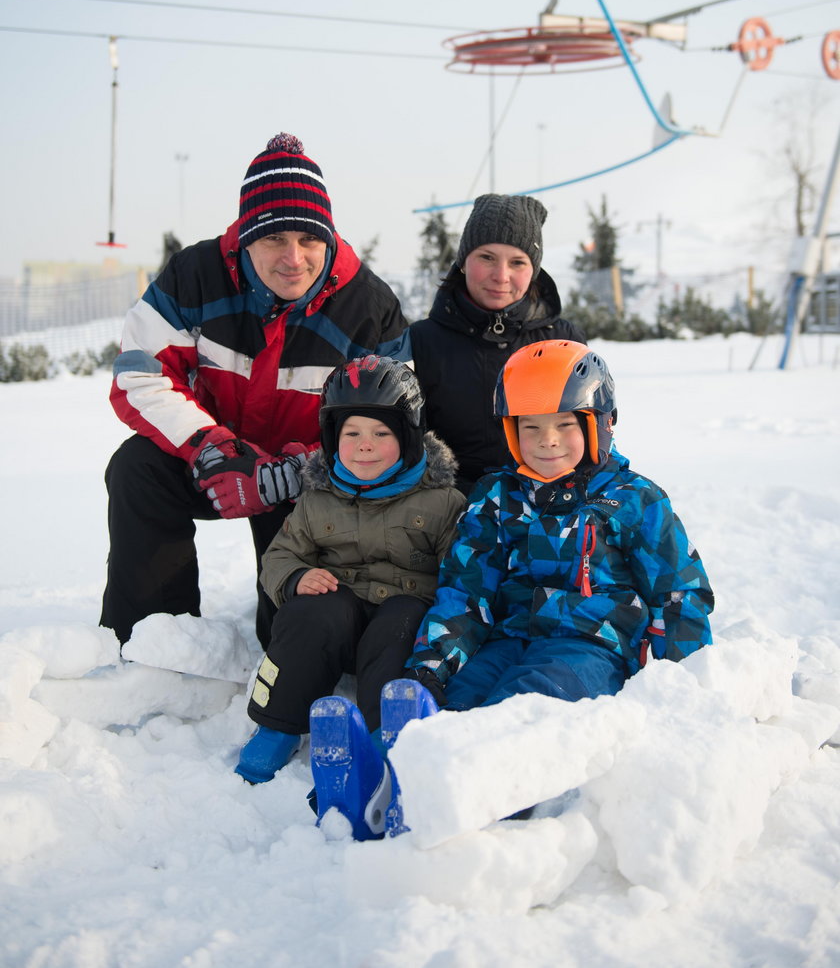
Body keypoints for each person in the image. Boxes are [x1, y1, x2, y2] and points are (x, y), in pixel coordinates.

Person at [306, 339, 714, 839]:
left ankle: (477, 802)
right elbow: (465, 593)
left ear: (600, 424)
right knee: (459, 697)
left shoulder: (635, 501)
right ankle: (383, 782)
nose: (548, 441)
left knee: (524, 704)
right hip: (505, 638)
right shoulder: (497, 499)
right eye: (531, 427)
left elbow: (680, 594)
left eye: (566, 425)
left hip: (589, 649)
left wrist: (685, 688)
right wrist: (432, 669)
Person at [100, 134, 409, 650]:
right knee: (137, 468)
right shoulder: (193, 276)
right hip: (213, 462)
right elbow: (140, 376)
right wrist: (213, 448)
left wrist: (291, 474)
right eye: (274, 240)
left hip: (311, 483)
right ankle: (155, 642)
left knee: (287, 641)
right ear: (245, 236)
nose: (293, 258)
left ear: (329, 238)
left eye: (309, 240)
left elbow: (393, 425)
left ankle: (292, 638)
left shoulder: (369, 306)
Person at [233, 355, 465, 785]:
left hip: (403, 614)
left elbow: (461, 572)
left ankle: (385, 732)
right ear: (330, 437)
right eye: (351, 432)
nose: (365, 445)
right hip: (341, 618)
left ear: (410, 438)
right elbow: (280, 555)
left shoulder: (441, 501)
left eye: (382, 433)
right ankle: (279, 725)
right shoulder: (317, 498)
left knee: (400, 625)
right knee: (308, 614)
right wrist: (297, 578)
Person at [409, 193, 585, 495]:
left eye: (518, 262)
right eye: (486, 257)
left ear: (534, 272)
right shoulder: (421, 341)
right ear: (463, 261)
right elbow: (407, 443)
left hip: (546, 509)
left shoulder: (563, 341)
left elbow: (591, 437)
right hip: (450, 510)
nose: (501, 276)